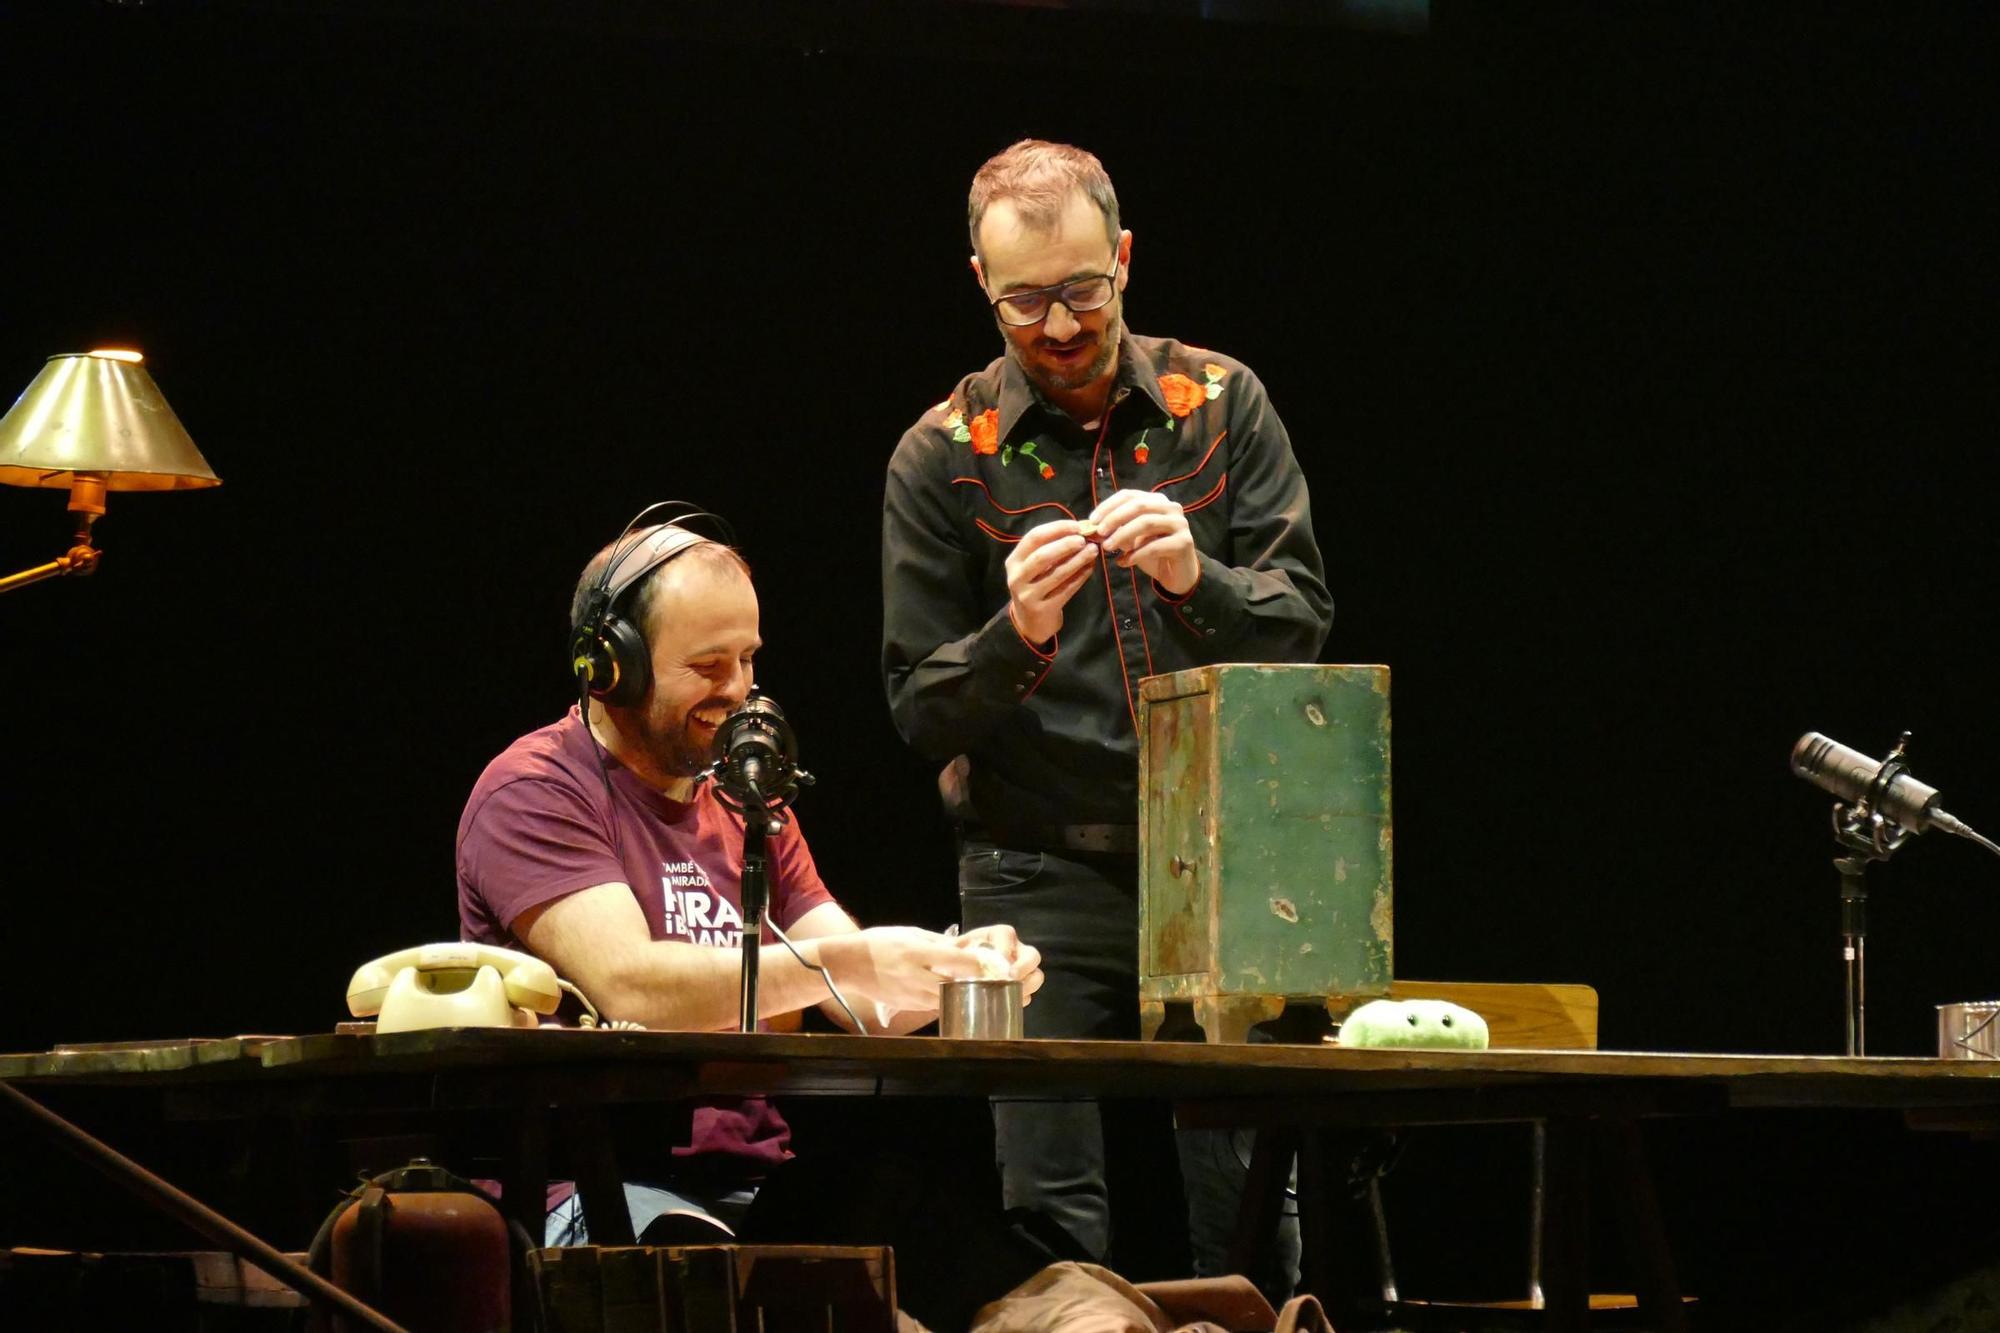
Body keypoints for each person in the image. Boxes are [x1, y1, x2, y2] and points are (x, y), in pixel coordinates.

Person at [881, 140, 1333, 1294]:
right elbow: (918, 710)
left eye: (1083, 289)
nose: (1061, 324)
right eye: (1024, 299)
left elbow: (1303, 629)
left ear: (1123, 259)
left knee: (1243, 1201)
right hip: (1034, 868)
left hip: (1222, 864)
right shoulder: (942, 455)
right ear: (979, 283)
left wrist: (1198, 581)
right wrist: (1012, 635)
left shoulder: (1219, 405)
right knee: (1047, 1213)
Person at [458, 513, 1043, 1247]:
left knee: (963, 1240)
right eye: (707, 666)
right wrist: (844, 963)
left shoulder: (747, 796)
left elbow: (863, 1000)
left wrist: (954, 966)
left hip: (755, 1185)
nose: (738, 690)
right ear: (612, 666)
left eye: (748, 659)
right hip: (592, 1184)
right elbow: (631, 986)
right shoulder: (534, 792)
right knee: (720, 1273)